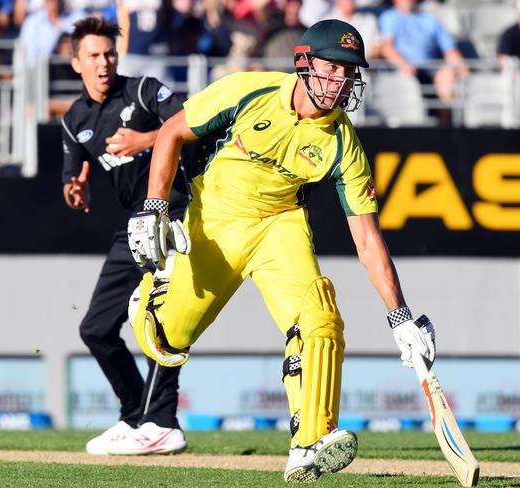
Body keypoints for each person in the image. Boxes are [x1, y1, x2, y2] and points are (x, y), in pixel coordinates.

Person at [126, 18, 436, 482]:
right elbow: (171, 133)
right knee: (162, 339)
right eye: (331, 68)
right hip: (215, 217)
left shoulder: (343, 144)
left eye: (349, 72)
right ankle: (156, 288)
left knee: (319, 317)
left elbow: (367, 238)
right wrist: (154, 208)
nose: (340, 81)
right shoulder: (249, 90)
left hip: (280, 225)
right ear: (305, 63)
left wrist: (400, 316)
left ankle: (310, 442)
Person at [61, 16, 189, 456]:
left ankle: (163, 421)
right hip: (136, 225)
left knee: (162, 319)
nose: (104, 62)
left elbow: (197, 125)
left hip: (175, 215)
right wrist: (74, 191)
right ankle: (135, 414)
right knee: (96, 328)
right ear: (76, 62)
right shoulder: (74, 118)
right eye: (93, 55)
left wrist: (147, 139)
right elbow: (72, 173)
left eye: (110, 53)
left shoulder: (144, 91)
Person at [379, 0, 468, 109]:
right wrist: (403, 64)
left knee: (447, 75)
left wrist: (465, 72)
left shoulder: (429, 19)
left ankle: (446, 122)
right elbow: (386, 48)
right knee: (406, 78)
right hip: (404, 68)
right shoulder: (388, 18)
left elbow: (450, 50)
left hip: (430, 68)